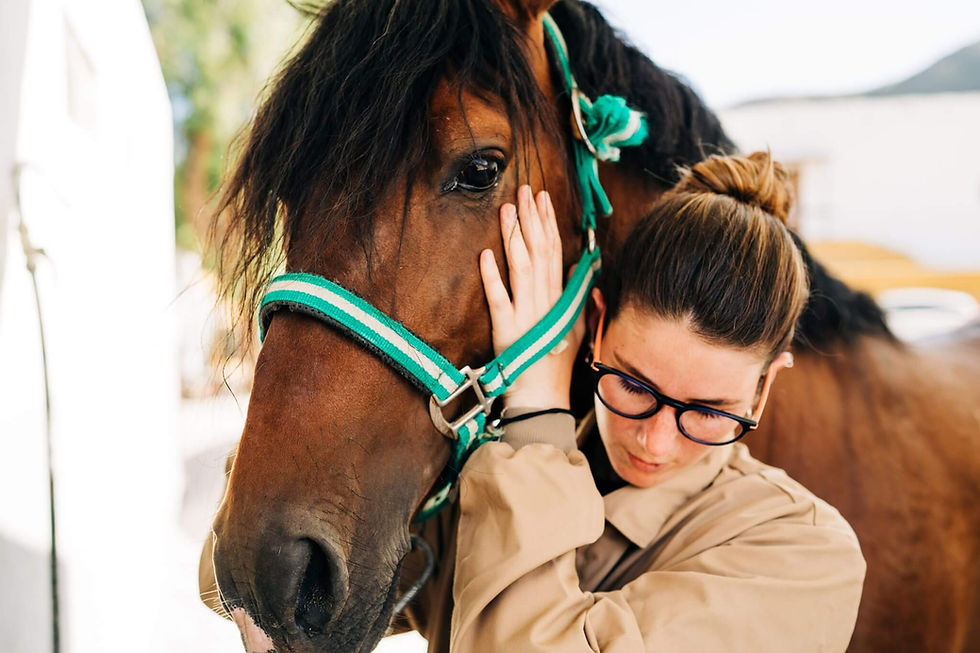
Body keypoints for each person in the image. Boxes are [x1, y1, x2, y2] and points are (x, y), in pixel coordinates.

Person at [449, 151, 866, 652]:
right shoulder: (488, 462)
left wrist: (537, 410)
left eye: (710, 412)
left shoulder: (805, 555)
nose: (656, 441)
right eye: (635, 386)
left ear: (765, 387)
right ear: (598, 327)